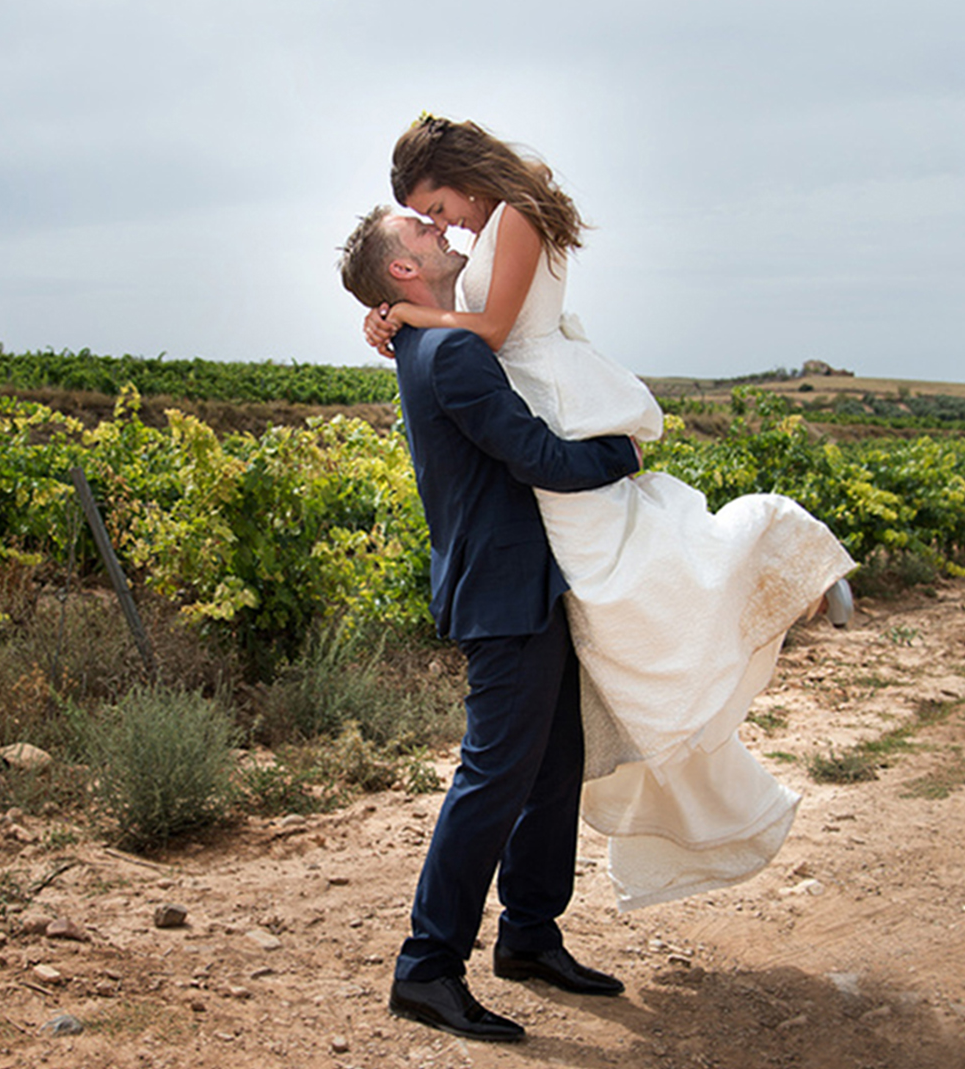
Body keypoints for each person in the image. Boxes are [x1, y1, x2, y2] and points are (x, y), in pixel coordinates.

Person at [365, 114, 858, 912]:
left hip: (549, 407)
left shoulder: (513, 219)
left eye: (440, 208)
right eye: (430, 222)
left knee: (628, 563)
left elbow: (490, 330)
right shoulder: (458, 299)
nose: (445, 226)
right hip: (526, 456)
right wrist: (402, 315)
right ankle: (493, 942)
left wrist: (412, 314)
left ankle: (779, 543)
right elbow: (470, 338)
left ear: (461, 173)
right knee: (621, 578)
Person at [339, 204, 643, 1043]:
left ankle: (529, 937)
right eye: (423, 235)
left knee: (553, 764)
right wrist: (624, 454)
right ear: (403, 274)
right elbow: (539, 456)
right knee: (495, 777)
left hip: (525, 583)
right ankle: (427, 968)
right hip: (504, 590)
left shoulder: (423, 338)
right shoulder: (452, 351)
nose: (443, 234)